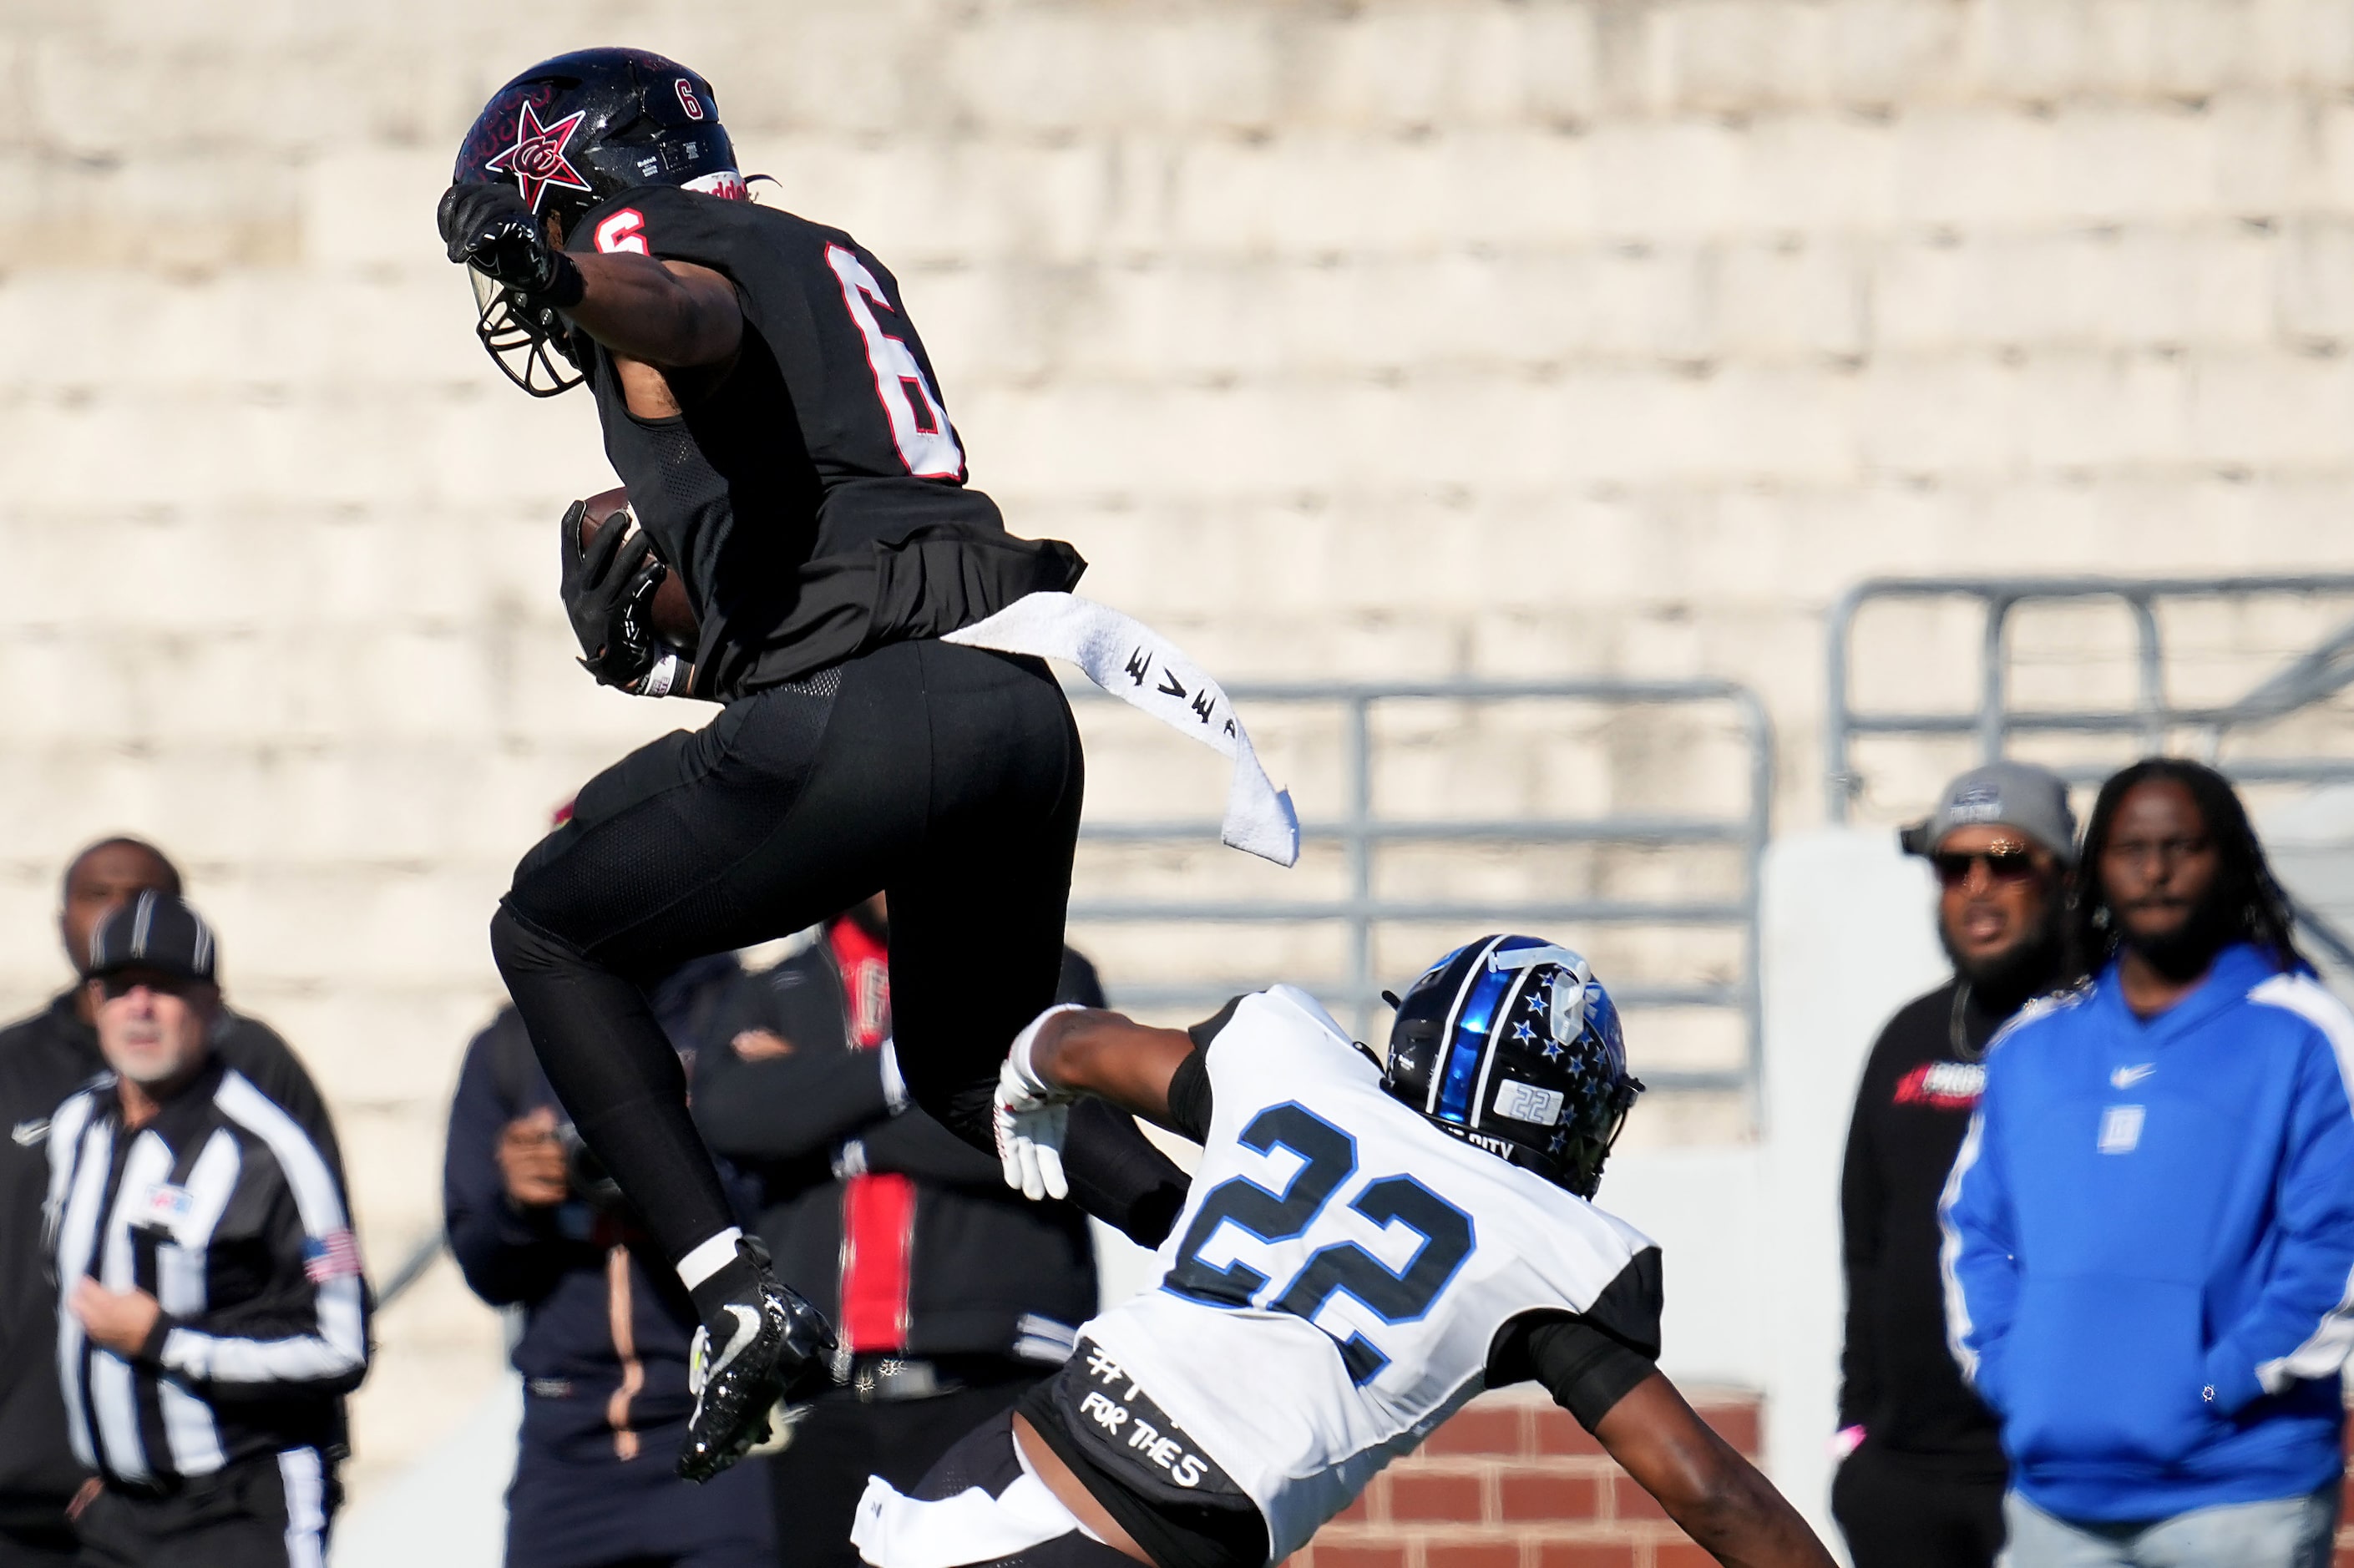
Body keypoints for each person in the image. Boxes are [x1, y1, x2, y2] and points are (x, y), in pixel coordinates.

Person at [434, 48, 1225, 1479]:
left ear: (571, 189)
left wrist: (577, 280)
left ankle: (731, 1286)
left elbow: (685, 317)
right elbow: (817, 509)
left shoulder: (644, 247)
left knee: (547, 925)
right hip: (1017, 701)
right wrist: (675, 623)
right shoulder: (821, 256)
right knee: (973, 1067)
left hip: (885, 710)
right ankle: (1249, 1209)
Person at [850, 934, 1838, 1568]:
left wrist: (1027, 1078)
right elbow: (1710, 1491)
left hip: (997, 1466)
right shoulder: (1545, 1248)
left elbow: (1073, 1043)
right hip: (1142, 1545)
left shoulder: (1295, 1070)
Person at [1943, 759, 2354, 1567]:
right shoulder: (2030, 1048)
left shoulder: (2301, 1031)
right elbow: (1974, 1230)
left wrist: (2215, 1384)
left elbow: (2334, 1246)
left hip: (2238, 1500)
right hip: (2053, 1502)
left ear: (2225, 861)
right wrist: (2011, 1372)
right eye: (2131, 847)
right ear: (2094, 866)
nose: (2155, 868)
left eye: (2182, 846)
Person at [690, 898, 1103, 1568]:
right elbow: (732, 1117)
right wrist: (922, 1081)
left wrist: (819, 1108)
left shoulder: (1042, 975)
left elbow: (1035, 1135)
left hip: (992, 1388)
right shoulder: (770, 990)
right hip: (824, 1401)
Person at [0, 840, 337, 1568]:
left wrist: (166, 1341)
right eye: (121, 987)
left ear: (211, 1000)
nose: (142, 1007)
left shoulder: (265, 1139)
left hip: (235, 1505)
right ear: (95, 999)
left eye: (166, 985)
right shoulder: (78, 1127)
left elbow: (338, 1340)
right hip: (107, 1512)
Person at [444, 949, 772, 1568]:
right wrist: (517, 1201)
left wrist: (674, 1172)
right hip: (563, 1450)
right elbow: (481, 1266)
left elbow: (786, 1215)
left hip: (718, 1431)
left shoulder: (737, 1014)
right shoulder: (510, 1047)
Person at [1834, 761, 2075, 1568]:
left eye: (2007, 861)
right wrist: (1854, 1434)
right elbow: (1865, 1247)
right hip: (1903, 1478)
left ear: (2062, 876)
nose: (1978, 886)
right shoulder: (1904, 1038)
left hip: (2053, 1475)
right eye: (1952, 864)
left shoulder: (2104, 1034)